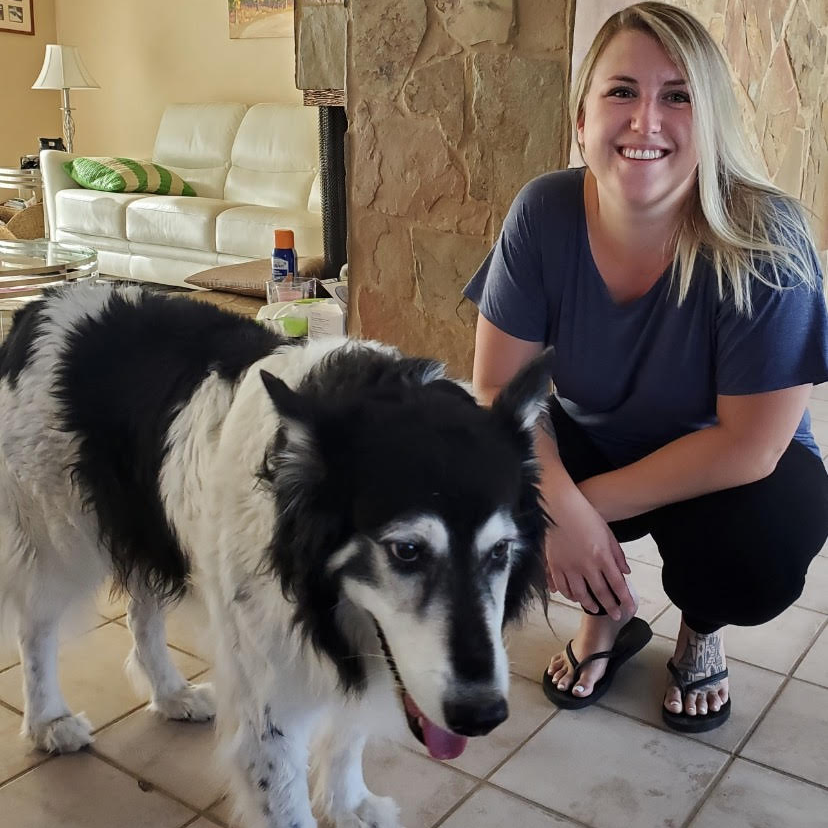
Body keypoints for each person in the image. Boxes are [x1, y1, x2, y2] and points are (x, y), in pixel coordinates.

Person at [464, 1, 828, 733]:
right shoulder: (544, 213)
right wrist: (555, 505)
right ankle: (607, 619)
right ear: (581, 119)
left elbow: (749, 443)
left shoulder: (767, 237)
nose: (645, 122)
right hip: (598, 430)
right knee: (485, 476)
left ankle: (701, 625)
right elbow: (498, 389)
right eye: (622, 91)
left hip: (726, 463)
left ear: (713, 120)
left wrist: (577, 509)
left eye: (678, 96)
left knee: (766, 546)